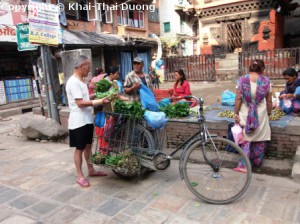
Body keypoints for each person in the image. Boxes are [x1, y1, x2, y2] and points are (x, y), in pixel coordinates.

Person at [66, 55, 110, 187]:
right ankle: (80, 176)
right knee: (79, 148)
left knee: (88, 146)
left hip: (87, 119)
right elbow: (80, 103)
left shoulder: (81, 81)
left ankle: (91, 170)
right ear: (80, 67)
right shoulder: (73, 82)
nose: (89, 70)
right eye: (87, 67)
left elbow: (85, 98)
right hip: (78, 121)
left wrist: (97, 95)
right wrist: (99, 101)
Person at [234, 59, 272, 173]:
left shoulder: (242, 80)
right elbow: (269, 101)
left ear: (249, 68)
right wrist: (268, 113)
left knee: (246, 138)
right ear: (262, 69)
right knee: (260, 138)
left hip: (246, 113)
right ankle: (257, 162)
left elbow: (238, 99)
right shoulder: (266, 81)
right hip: (260, 113)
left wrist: (235, 113)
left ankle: (244, 165)